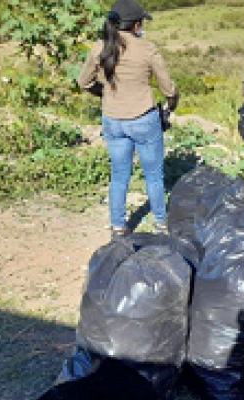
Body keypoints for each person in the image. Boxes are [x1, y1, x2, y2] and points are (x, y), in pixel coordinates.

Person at [77, 0, 179, 237]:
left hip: (113, 119)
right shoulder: (147, 49)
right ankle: (161, 224)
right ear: (135, 25)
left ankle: (118, 226)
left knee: (119, 175)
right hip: (143, 117)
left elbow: (84, 83)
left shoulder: (100, 47)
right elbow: (169, 89)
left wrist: (104, 93)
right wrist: (170, 107)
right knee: (153, 175)